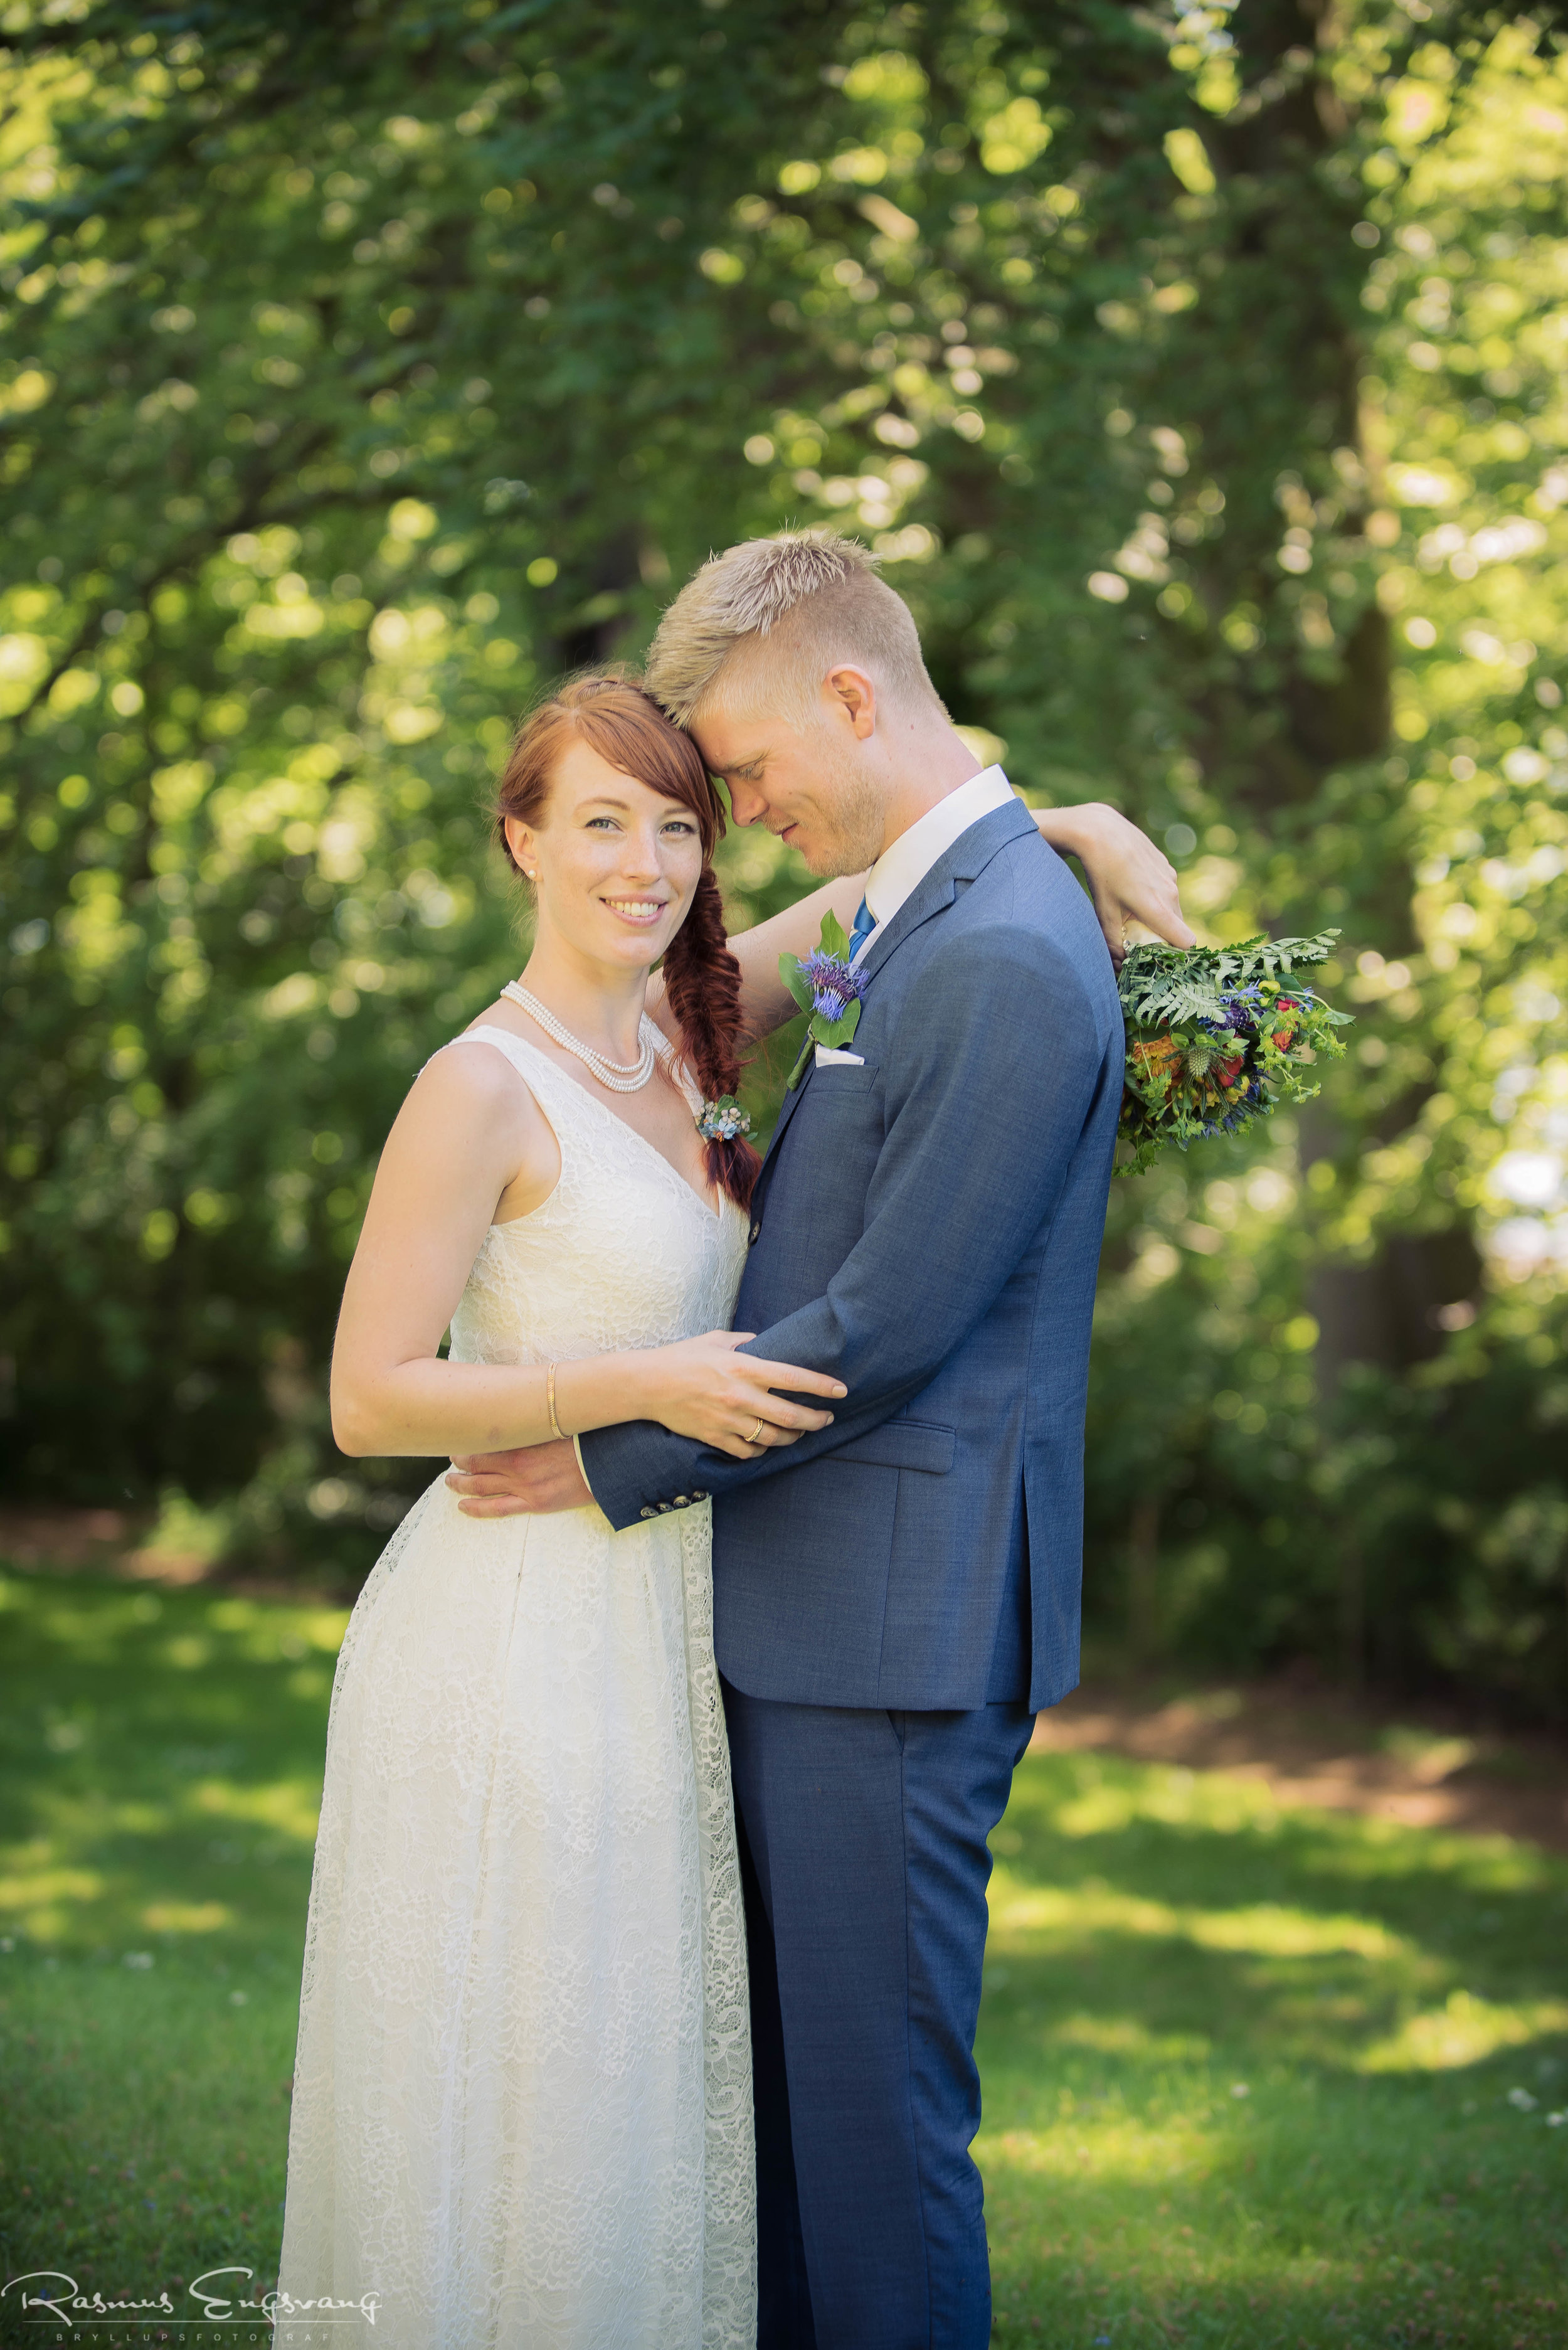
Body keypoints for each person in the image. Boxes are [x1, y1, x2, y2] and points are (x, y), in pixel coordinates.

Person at [275, 639, 1189, 2344]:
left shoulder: (698, 1023)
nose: (648, 862)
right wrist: (632, 1386)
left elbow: (917, 877)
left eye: (683, 827)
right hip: (518, 1596)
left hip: (681, 1595)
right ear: (521, 840)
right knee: (530, 2034)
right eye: (602, 823)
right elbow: (364, 1394)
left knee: (653, 2053)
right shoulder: (476, 1083)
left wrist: (1072, 825)